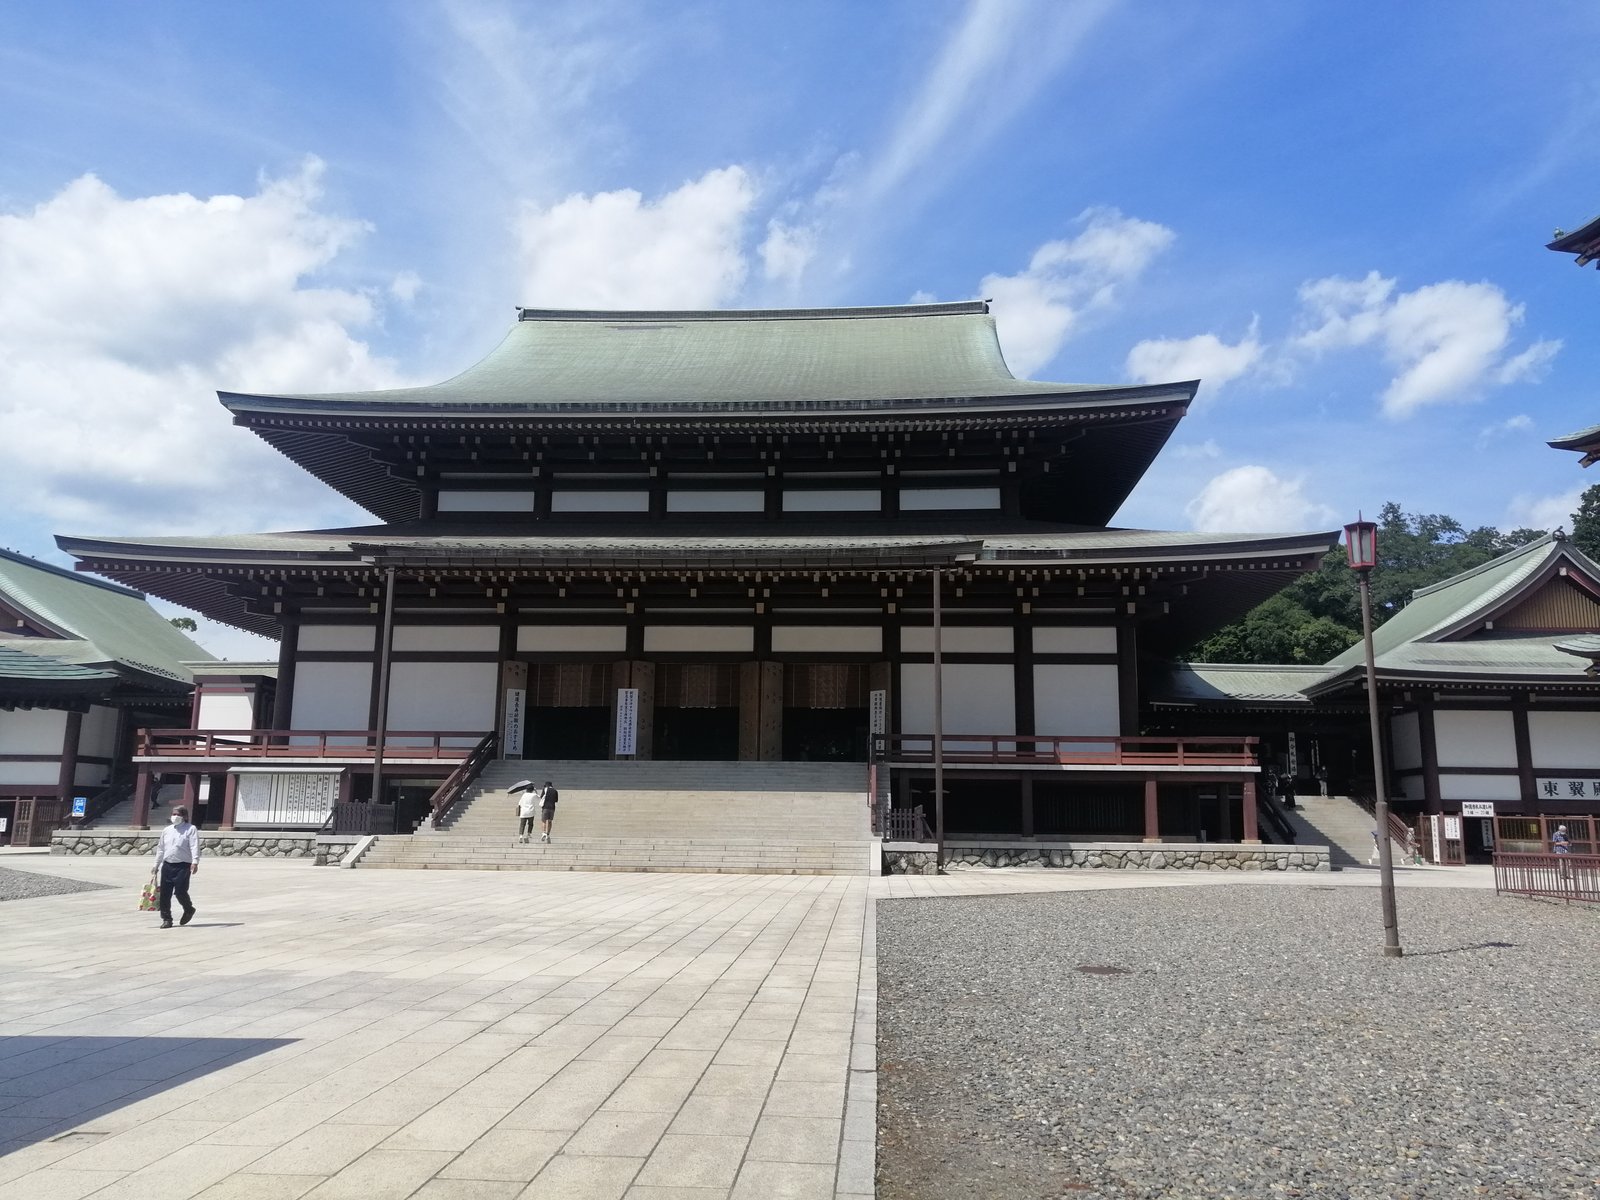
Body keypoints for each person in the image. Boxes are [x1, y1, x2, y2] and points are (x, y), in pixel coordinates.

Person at [153, 804, 199, 929]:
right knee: (165, 894)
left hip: (183, 865)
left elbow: (194, 846)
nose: (175, 817)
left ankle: (188, 909)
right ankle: (167, 919)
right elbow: (161, 848)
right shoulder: (167, 830)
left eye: (178, 814)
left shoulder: (190, 829)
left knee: (180, 891)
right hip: (167, 865)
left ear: (184, 816)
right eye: (173, 814)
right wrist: (156, 864)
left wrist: (195, 862)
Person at [511, 779, 538, 844]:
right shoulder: (533, 795)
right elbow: (539, 798)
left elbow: (519, 803)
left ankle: (520, 836)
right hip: (531, 812)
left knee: (522, 824)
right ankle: (528, 834)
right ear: (532, 790)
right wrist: (536, 791)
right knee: (530, 824)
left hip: (523, 812)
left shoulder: (524, 795)